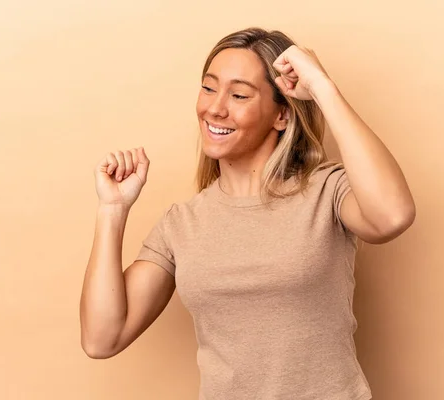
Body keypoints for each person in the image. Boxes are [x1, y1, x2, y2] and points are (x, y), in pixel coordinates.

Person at [80, 27, 416, 400]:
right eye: (209, 88)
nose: (215, 108)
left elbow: (392, 216)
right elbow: (101, 338)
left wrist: (322, 87)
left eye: (239, 94)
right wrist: (112, 209)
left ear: (282, 117)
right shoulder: (182, 224)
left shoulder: (326, 190)